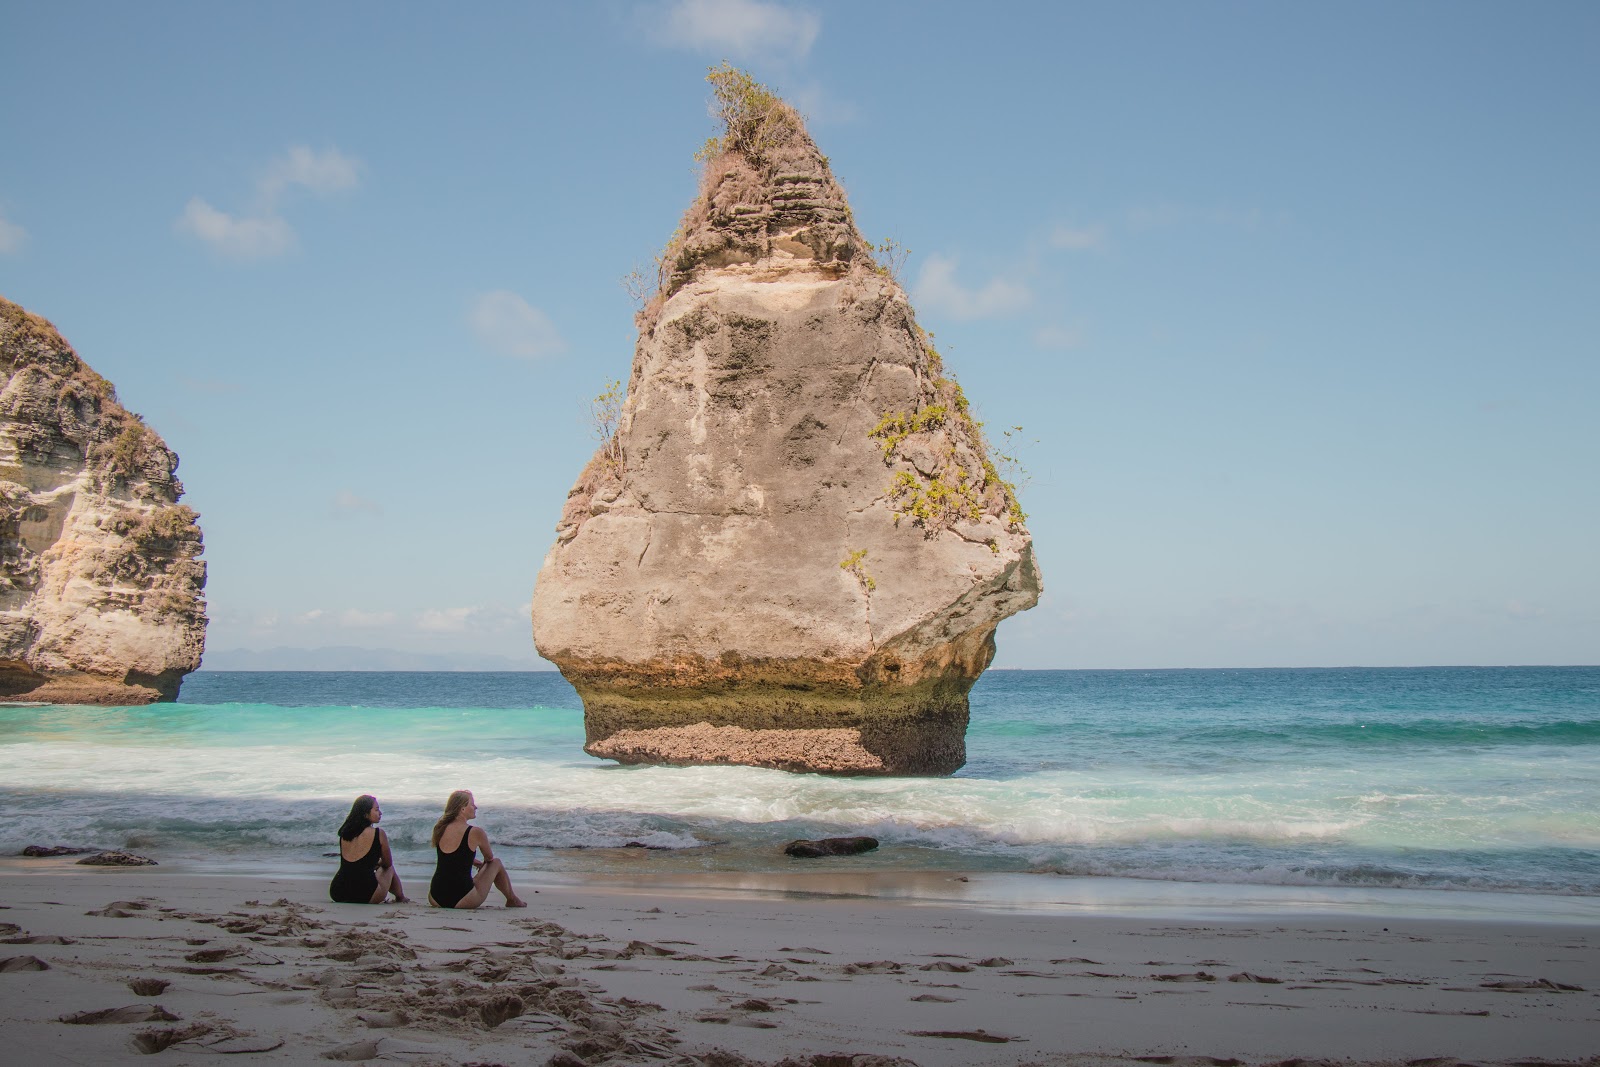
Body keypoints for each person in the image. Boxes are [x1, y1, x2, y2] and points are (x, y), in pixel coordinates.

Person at [427, 789, 527, 909]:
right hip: (462, 897)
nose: (476, 807)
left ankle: (512, 899)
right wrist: (482, 866)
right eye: (472, 804)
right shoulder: (475, 832)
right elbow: (489, 858)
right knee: (496, 862)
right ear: (462, 809)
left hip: (435, 896)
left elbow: (449, 856)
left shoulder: (440, 828)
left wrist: (471, 860)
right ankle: (512, 899)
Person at [328, 794, 406, 904]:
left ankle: (400, 897)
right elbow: (387, 863)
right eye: (377, 810)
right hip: (365, 894)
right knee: (389, 868)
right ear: (365, 814)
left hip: (338, 891)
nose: (380, 813)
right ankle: (400, 897)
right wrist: (378, 863)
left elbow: (355, 861)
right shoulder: (378, 833)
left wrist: (372, 863)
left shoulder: (344, 834)